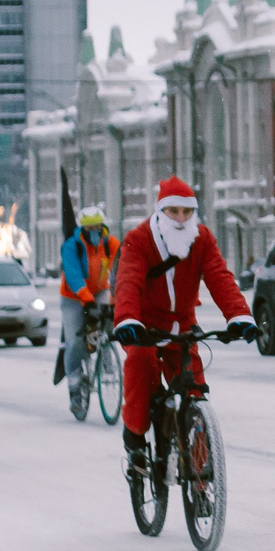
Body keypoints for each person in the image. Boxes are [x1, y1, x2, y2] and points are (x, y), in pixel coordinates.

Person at [109, 179, 256, 480]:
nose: (180, 219)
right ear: (160, 211)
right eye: (173, 211)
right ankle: (135, 441)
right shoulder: (138, 239)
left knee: (195, 390)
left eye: (187, 212)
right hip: (143, 328)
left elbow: (220, 277)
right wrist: (127, 319)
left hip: (182, 328)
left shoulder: (201, 238)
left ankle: (202, 479)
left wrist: (239, 315)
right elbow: (129, 281)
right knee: (139, 368)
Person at [56, 206, 116, 398]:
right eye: (89, 228)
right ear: (82, 229)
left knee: (111, 321)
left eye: (97, 227)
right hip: (73, 297)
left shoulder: (111, 244)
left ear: (103, 227)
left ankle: (107, 358)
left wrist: (116, 300)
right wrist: (87, 300)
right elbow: (73, 275)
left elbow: (120, 271)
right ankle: (74, 382)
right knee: (73, 340)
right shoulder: (71, 246)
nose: (94, 232)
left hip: (99, 290)